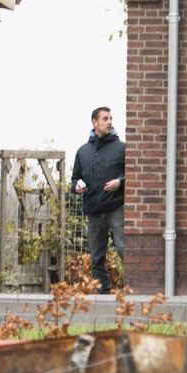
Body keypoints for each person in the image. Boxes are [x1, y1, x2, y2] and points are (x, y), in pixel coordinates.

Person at [71, 106, 126, 294]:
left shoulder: (122, 148)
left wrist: (120, 182)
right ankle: (103, 293)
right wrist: (77, 187)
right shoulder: (82, 151)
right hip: (94, 211)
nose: (110, 122)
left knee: (124, 248)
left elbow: (132, 174)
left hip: (117, 207)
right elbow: (74, 179)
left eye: (111, 118)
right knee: (96, 257)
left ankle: (135, 290)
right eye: (105, 119)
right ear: (95, 123)